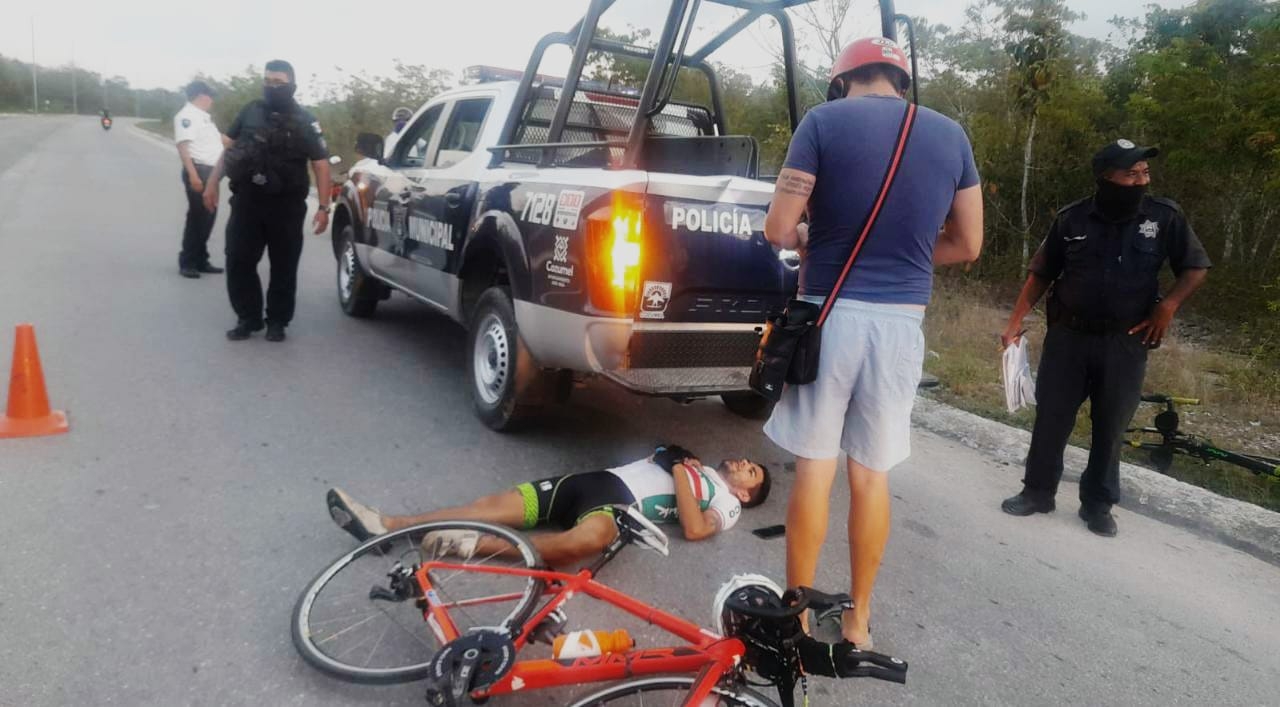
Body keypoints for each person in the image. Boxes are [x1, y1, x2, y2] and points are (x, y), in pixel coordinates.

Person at [762, 37, 983, 650]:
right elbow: (968, 245)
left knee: (814, 467)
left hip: (829, 314)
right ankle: (858, 620)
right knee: (871, 474)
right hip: (900, 325)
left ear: (842, 80)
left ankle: (798, 617)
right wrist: (909, 253)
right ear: (901, 82)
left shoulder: (822, 123)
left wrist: (807, 236)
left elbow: (778, 227)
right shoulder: (951, 135)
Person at [1000, 140, 1210, 537]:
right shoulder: (1072, 219)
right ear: (1105, 178)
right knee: (1052, 419)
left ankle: (1097, 505)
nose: (1140, 181)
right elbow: (1041, 273)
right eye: (1131, 174)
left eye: (1145, 174)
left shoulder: (1164, 217)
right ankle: (1037, 492)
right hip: (1069, 338)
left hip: (1124, 343)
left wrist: (1167, 307)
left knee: (1111, 425)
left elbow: (1195, 267)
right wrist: (1014, 321)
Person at [325, 444, 772, 567]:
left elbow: (695, 529)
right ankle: (387, 526)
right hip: (592, 482)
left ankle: (467, 547)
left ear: (745, 494)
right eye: (747, 461)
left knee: (582, 545)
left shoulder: (726, 506)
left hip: (619, 507)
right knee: (487, 506)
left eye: (750, 471)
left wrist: (676, 467)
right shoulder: (695, 463)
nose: (741, 462)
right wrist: (668, 453)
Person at [202, 60, 330, 342]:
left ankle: (277, 321)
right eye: (268, 81)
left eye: (278, 83)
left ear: (292, 85)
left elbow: (320, 164)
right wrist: (212, 184)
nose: (272, 87)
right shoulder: (250, 111)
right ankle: (248, 317)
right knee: (237, 259)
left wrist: (323, 207)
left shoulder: (306, 120)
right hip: (247, 201)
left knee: (284, 265)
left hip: (287, 206)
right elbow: (230, 149)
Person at [173, 80, 225, 278]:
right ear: (201, 96)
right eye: (210, 96)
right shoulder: (186, 116)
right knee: (198, 218)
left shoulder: (203, 118)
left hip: (212, 173)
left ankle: (201, 259)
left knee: (208, 217)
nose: (211, 100)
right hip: (199, 171)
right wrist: (194, 176)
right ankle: (187, 261)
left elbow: (219, 140)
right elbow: (183, 146)